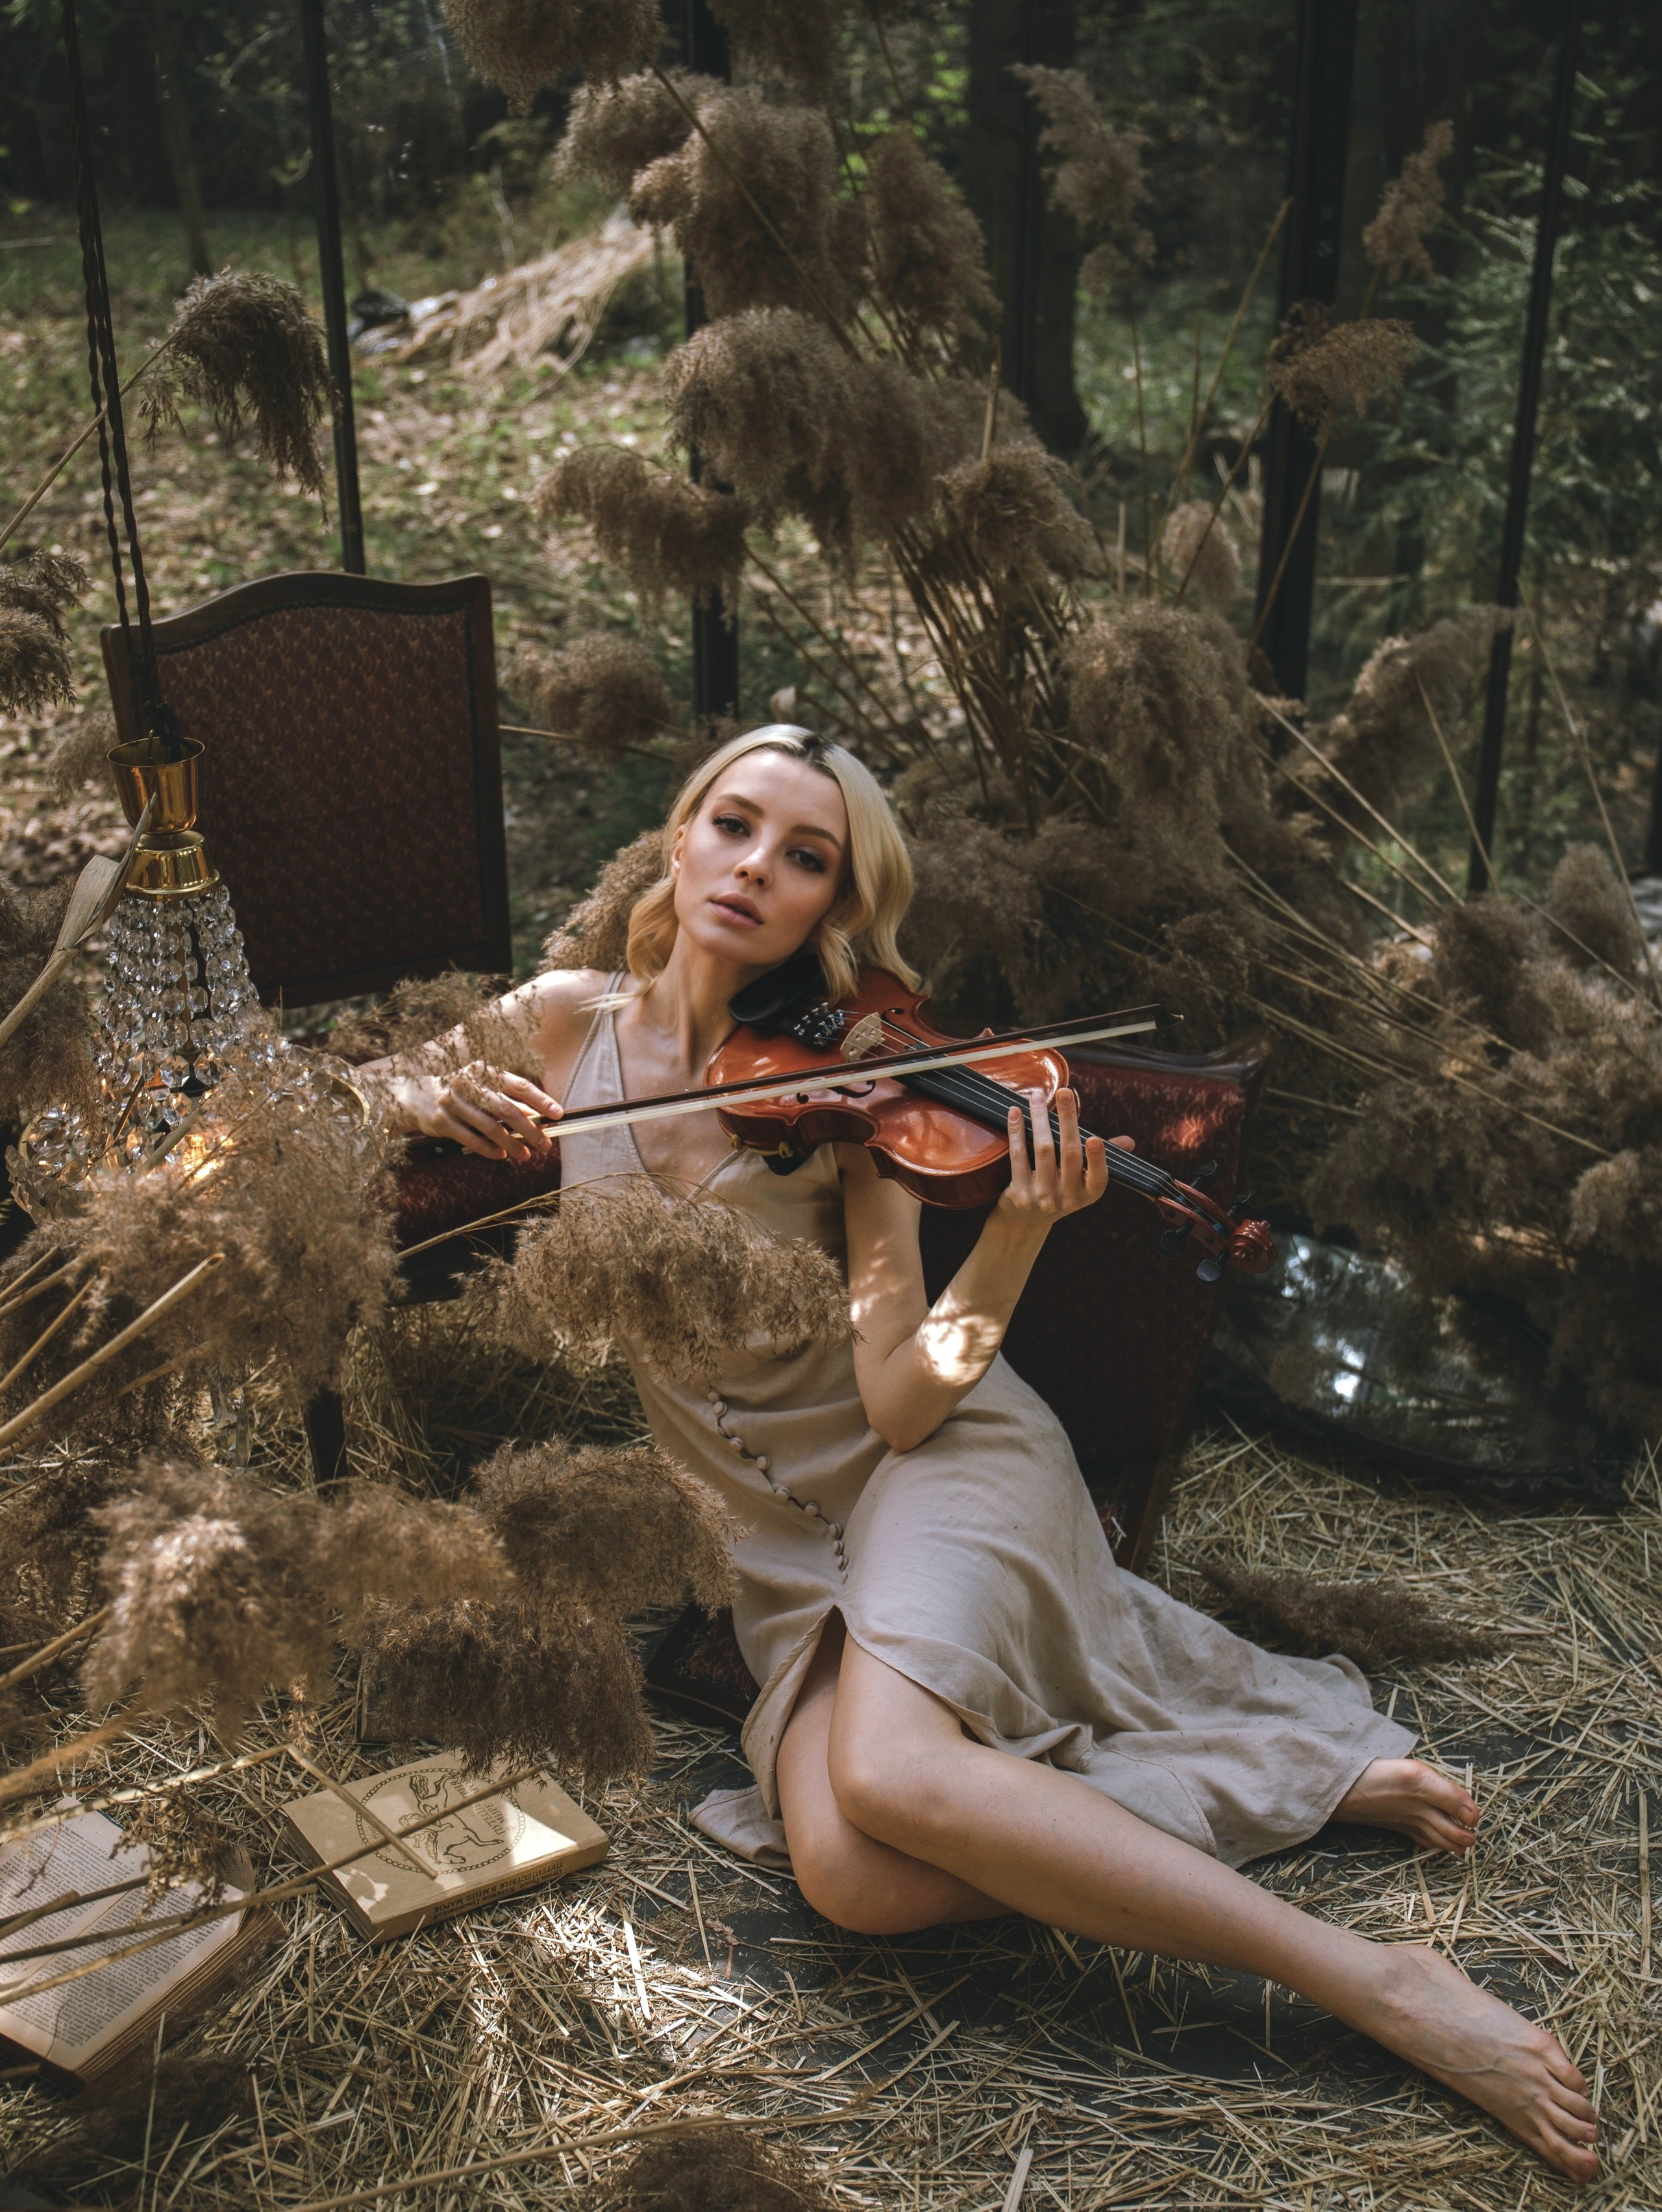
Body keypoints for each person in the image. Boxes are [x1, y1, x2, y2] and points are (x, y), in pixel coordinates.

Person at [369, 725, 1596, 2184]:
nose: (757, 869)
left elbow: (903, 1398)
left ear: (835, 907)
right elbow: (341, 1098)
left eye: (805, 857)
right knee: (852, 1876)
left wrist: (1013, 1227)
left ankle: (1370, 1979)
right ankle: (1272, 1774)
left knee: (888, 1777)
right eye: (736, 826)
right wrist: (409, 1091)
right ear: (681, 835)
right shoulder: (566, 1025)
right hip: (773, 1547)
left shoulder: (854, 1115)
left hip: (937, 1468)